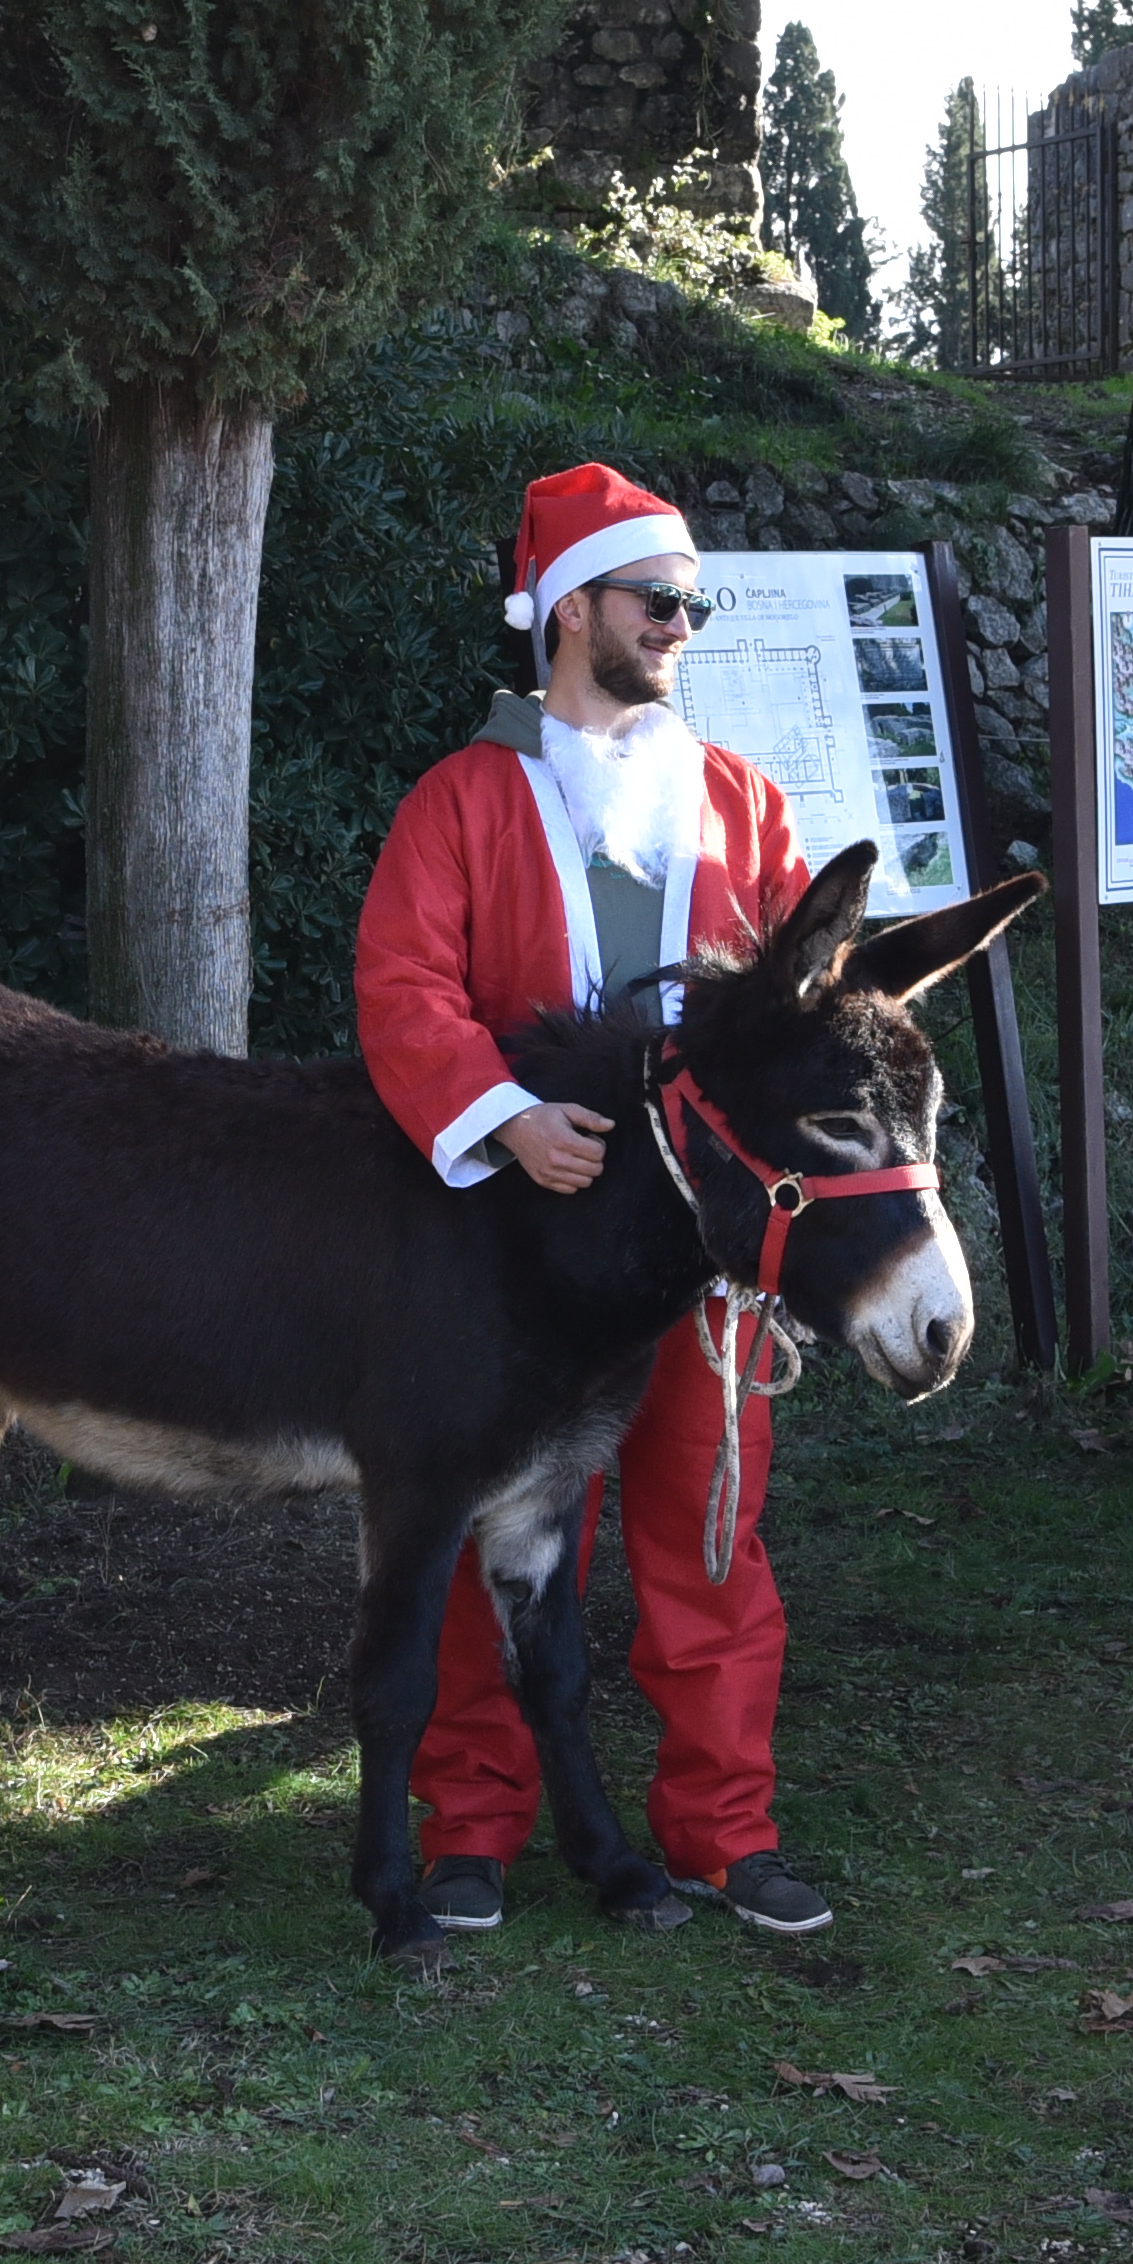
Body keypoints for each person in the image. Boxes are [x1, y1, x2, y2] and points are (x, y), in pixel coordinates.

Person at [352, 461, 829, 1935]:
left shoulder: (744, 802)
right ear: (569, 613)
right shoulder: (461, 801)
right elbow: (403, 980)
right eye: (657, 597)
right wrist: (497, 1116)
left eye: (694, 598)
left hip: (703, 1246)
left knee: (706, 1530)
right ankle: (474, 1824)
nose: (683, 623)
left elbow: (802, 996)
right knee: (479, 1532)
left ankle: (720, 1827)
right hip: (516, 1253)